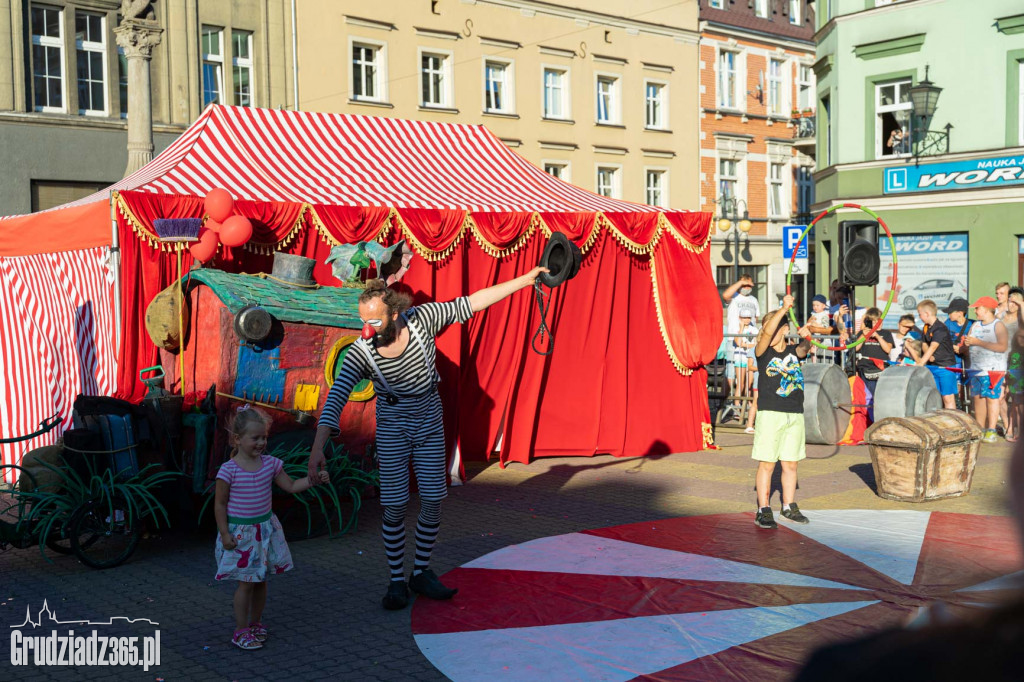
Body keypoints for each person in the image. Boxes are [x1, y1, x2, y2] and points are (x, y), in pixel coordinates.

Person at [308, 269, 547, 610]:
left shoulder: (422, 320)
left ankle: (420, 572)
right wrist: (318, 448)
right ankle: (395, 580)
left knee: (434, 500)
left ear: (394, 313)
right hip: (392, 427)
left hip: (430, 423)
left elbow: (471, 303)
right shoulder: (361, 352)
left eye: (374, 321)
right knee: (393, 505)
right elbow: (336, 397)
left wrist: (525, 280)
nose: (367, 329)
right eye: (363, 321)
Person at [214, 406, 329, 650]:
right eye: (254, 438)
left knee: (261, 580)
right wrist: (225, 533)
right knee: (246, 582)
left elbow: (289, 486)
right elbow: (220, 504)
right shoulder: (229, 470)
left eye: (264, 437)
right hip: (241, 535)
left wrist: (312, 480)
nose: (261, 442)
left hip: (264, 531)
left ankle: (255, 623)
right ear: (237, 439)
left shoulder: (271, 465)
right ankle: (240, 630)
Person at [751, 294, 812, 529]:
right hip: (771, 413)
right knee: (767, 463)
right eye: (769, 327)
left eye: (777, 326)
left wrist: (807, 336)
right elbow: (766, 334)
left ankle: (788, 506)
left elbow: (805, 348)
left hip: (794, 413)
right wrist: (783, 307)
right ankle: (763, 509)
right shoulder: (764, 352)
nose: (769, 331)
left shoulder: (793, 352)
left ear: (785, 329)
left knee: (791, 464)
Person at [962, 296, 1008, 443]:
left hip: (993, 369)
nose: (975, 311)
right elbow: (969, 343)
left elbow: (1002, 346)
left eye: (977, 308)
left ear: (987, 309)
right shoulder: (975, 325)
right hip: (976, 369)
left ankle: (991, 430)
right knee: (977, 398)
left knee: (991, 398)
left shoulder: (997, 325)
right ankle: (980, 428)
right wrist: (963, 346)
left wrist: (978, 342)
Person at [722, 275, 761, 419]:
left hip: (750, 339)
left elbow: (755, 319)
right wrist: (740, 283)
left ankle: (746, 406)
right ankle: (726, 403)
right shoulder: (735, 298)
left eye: (749, 285)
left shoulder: (754, 300)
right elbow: (725, 295)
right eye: (745, 285)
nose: (747, 288)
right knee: (731, 376)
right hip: (734, 339)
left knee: (748, 380)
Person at [915, 299, 959, 409]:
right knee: (935, 397)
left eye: (920, 314)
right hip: (932, 367)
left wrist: (921, 362)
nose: (919, 317)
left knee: (947, 398)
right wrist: (928, 357)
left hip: (946, 367)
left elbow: (933, 346)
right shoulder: (926, 328)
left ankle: (952, 422)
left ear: (927, 313)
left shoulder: (940, 328)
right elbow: (925, 344)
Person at [847, 308, 893, 408]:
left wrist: (877, 336)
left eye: (879, 321)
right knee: (868, 396)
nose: (877, 324)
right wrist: (863, 336)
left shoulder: (886, 333)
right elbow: (855, 348)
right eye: (874, 321)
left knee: (879, 395)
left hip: (880, 369)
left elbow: (888, 349)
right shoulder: (862, 333)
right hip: (865, 369)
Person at [734, 307, 757, 420]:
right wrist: (741, 328)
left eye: (748, 318)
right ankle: (736, 408)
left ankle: (749, 406)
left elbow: (756, 344)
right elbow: (738, 342)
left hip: (750, 358)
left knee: (749, 383)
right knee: (740, 383)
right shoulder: (737, 329)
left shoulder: (755, 329)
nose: (746, 320)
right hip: (739, 357)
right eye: (744, 318)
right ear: (740, 318)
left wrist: (744, 344)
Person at [744, 313, 760, 434]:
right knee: (755, 402)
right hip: (758, 380)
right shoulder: (753, 349)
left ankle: (760, 424)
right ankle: (749, 424)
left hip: (767, 381)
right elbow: (750, 366)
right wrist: (761, 368)